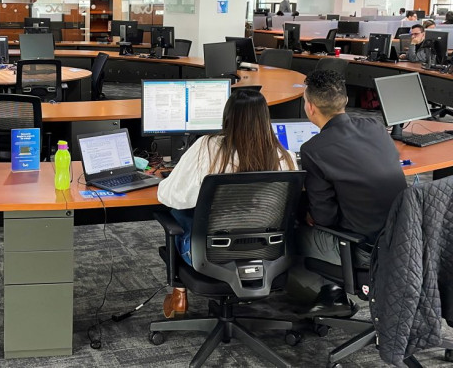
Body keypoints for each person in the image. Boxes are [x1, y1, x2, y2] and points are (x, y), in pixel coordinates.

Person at [157, 89, 297, 318]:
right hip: (268, 252)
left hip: (210, 255)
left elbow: (172, 196)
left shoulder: (207, 148)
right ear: (265, 119)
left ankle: (179, 294)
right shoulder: (285, 157)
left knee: (178, 212)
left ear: (227, 117)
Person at [297, 70, 406, 310]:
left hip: (366, 251)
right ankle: (331, 292)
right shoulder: (374, 126)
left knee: (292, 231)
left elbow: (325, 218)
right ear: (345, 101)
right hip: (404, 239)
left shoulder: (313, 150)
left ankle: (326, 298)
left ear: (310, 108)